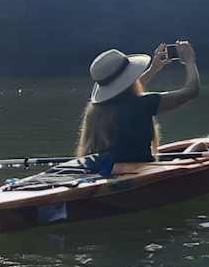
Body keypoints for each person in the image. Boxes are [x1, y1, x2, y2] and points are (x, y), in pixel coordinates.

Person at [76, 40, 200, 173]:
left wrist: (154, 69)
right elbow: (191, 91)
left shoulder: (95, 110)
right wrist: (190, 61)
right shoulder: (142, 104)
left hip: (105, 169)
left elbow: (125, 90)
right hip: (140, 171)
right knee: (201, 146)